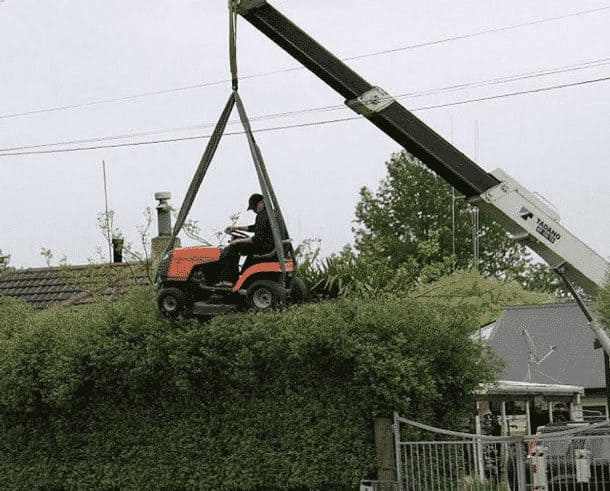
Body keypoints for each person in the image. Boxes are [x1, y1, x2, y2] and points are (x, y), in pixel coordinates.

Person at [216, 193, 275, 286]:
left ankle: (228, 280)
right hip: (271, 246)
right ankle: (240, 277)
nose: (254, 211)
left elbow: (257, 239)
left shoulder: (262, 215)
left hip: (265, 247)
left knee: (231, 248)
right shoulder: (271, 214)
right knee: (238, 245)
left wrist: (237, 241)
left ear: (261, 203)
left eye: (254, 208)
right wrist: (236, 228)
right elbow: (255, 228)